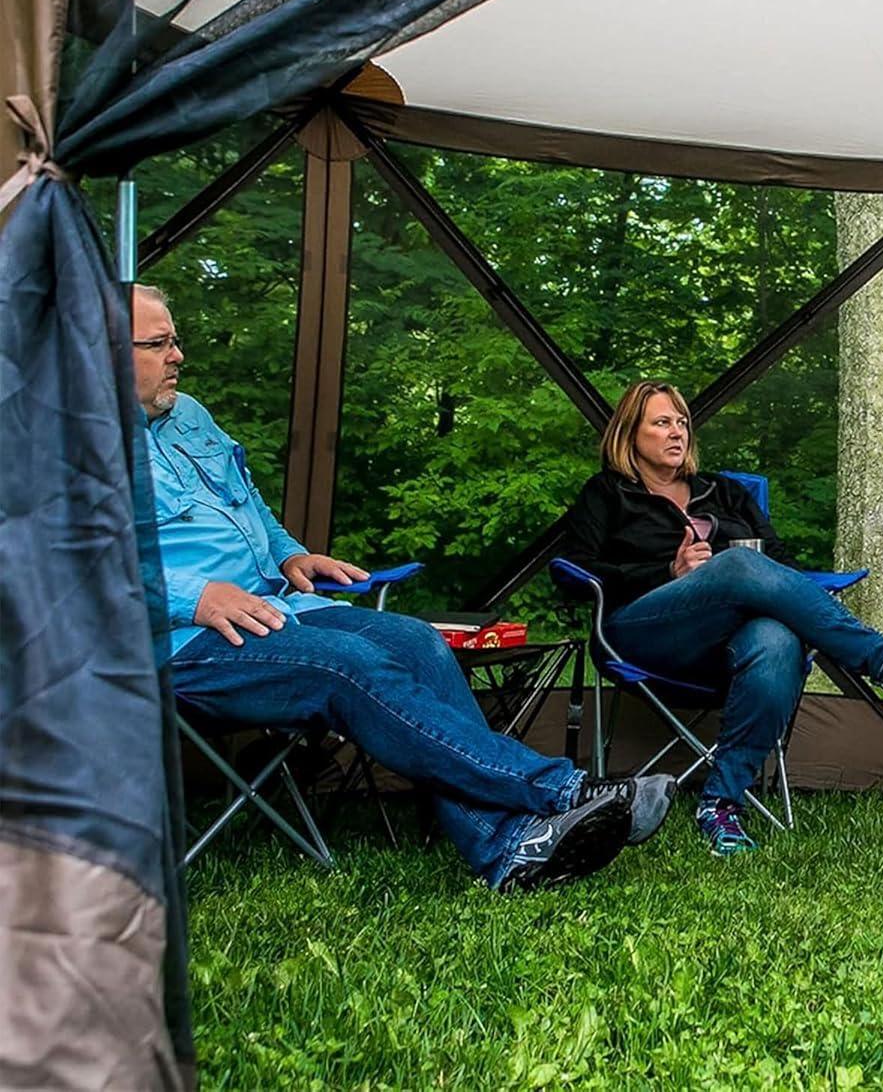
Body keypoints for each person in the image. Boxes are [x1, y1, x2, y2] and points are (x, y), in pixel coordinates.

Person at [133, 285, 673, 891]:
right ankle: (560, 789)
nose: (178, 355)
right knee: (348, 664)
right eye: (158, 344)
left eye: (174, 339)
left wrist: (289, 555)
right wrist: (195, 596)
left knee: (419, 642)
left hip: (274, 607)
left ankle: (509, 847)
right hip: (174, 642)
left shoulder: (189, 414)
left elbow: (249, 503)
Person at [562, 379, 883, 856]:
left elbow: (779, 562)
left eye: (682, 422)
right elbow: (572, 571)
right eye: (662, 422)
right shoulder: (608, 494)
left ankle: (721, 805)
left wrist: (749, 579)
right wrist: (668, 570)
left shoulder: (725, 493)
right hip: (642, 635)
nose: (678, 432)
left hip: (724, 646)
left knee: (776, 638)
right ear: (629, 434)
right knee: (737, 562)